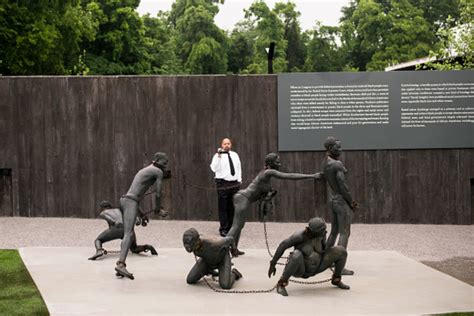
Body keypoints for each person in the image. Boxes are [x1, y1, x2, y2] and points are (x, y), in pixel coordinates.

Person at [226, 153, 320, 257]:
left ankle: (234, 249)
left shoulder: (266, 173)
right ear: (271, 163)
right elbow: (289, 176)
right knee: (236, 226)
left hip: (243, 198)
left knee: (239, 226)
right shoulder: (269, 172)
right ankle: (220, 249)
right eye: (277, 161)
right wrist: (312, 176)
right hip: (243, 199)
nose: (279, 163)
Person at [115, 152, 170, 280]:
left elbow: (135, 193)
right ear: (156, 160)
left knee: (129, 233)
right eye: (164, 162)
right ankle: (120, 264)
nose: (165, 165)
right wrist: (158, 209)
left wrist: (141, 213)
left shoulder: (146, 169)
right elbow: (158, 192)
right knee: (128, 233)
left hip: (126, 200)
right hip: (130, 202)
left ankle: (123, 263)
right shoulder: (157, 172)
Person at [268, 217, 350, 296]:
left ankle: (336, 279)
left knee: (341, 251)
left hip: (318, 265)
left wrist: (331, 255)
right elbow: (283, 245)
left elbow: (324, 249)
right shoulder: (299, 236)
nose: (325, 232)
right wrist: (273, 263)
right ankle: (282, 283)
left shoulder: (321, 235)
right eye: (322, 230)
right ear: (314, 232)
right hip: (302, 269)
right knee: (296, 255)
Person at [321, 137, 358, 275]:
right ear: (330, 148)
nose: (340, 150)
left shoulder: (325, 162)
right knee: (345, 233)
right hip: (341, 200)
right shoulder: (337, 164)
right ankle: (339, 266)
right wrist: (351, 201)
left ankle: (323, 260)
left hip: (332, 200)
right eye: (337, 147)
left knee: (334, 231)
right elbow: (343, 187)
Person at [88, 200, 165, 261]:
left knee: (98, 240)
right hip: (128, 229)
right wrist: (137, 220)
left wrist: (114, 222)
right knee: (134, 248)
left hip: (116, 229)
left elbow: (110, 220)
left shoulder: (103, 212)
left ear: (102, 207)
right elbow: (131, 216)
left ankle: (99, 251)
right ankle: (147, 247)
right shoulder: (120, 210)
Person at [210, 138, 242, 237]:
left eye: (228, 143)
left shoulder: (235, 155)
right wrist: (219, 156)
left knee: (233, 206)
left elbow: (238, 167)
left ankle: (232, 228)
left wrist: (239, 180)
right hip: (223, 183)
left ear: (231, 145)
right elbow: (213, 168)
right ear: (222, 145)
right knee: (223, 207)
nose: (227, 145)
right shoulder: (217, 156)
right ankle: (223, 228)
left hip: (234, 184)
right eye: (225, 144)